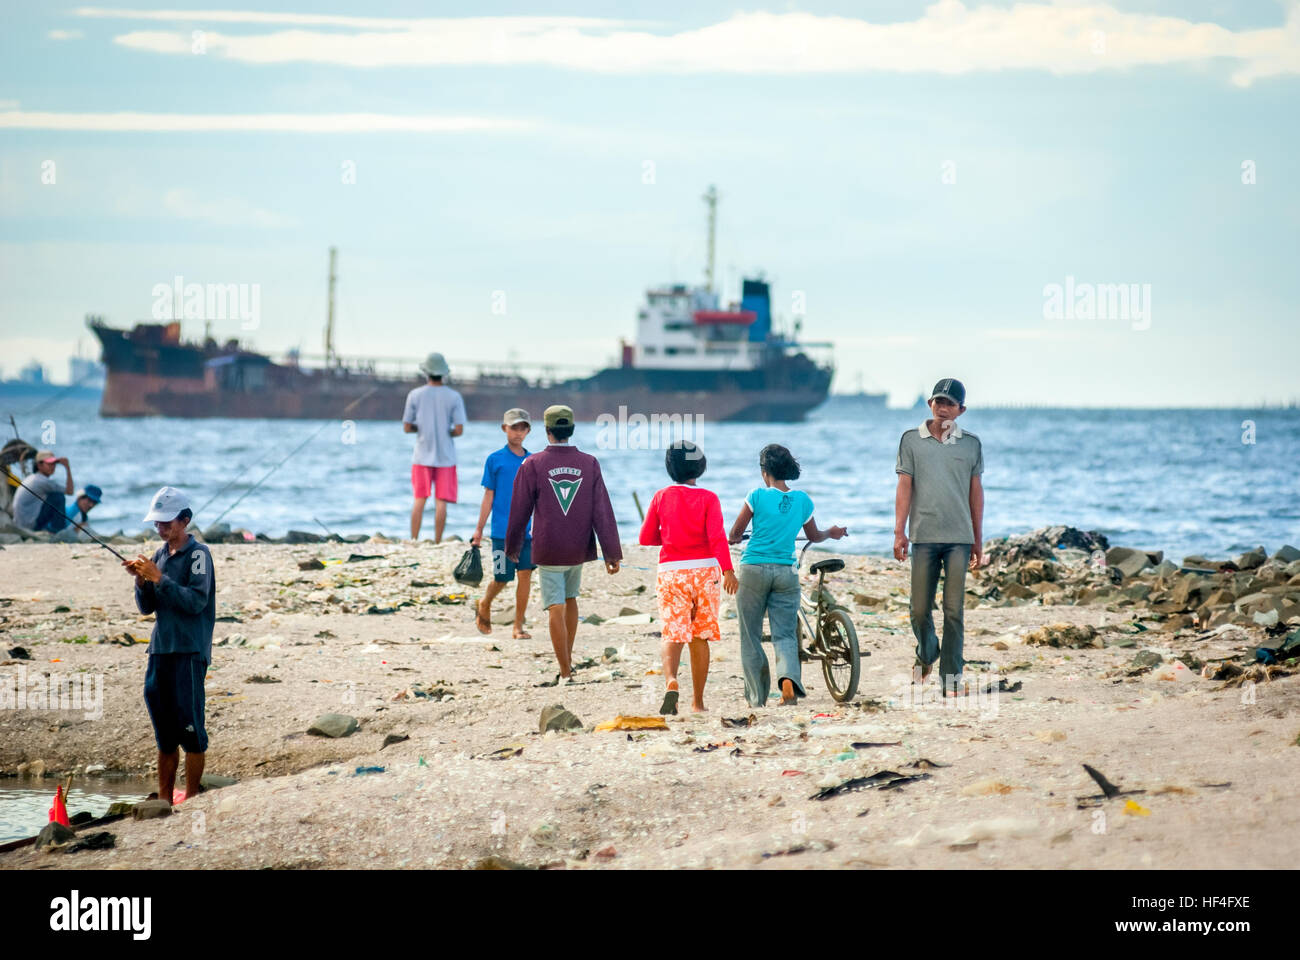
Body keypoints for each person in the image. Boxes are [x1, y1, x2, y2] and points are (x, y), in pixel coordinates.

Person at [504, 404, 621, 682]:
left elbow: (519, 509)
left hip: (548, 547)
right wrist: (611, 552)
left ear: (547, 431)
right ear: (571, 430)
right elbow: (601, 510)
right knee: (570, 599)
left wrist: (512, 547)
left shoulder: (532, 464)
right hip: (578, 547)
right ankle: (566, 659)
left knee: (555, 605)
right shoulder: (590, 462)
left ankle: (566, 671)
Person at [728, 444, 846, 707]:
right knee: (785, 634)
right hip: (786, 572)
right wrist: (833, 532)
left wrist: (734, 539)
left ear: (764, 471)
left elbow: (736, 532)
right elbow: (815, 536)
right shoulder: (803, 500)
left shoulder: (756, 496)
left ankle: (757, 698)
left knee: (751, 634)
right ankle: (788, 686)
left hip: (754, 568)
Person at [122, 486, 216, 806]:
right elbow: (146, 608)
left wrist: (159, 579)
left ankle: (190, 797)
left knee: (190, 730)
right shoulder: (160, 555)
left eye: (167, 522)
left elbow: (196, 602)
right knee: (164, 733)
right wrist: (140, 580)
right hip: (161, 649)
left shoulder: (199, 555)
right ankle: (164, 799)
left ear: (185, 520)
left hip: (189, 651)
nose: (161, 528)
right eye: (157, 523)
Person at [894, 377, 984, 697]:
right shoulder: (911, 441)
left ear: (961, 410)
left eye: (950, 404)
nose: (943, 409)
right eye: (938, 402)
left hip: (959, 537)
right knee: (919, 609)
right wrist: (899, 532)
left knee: (954, 610)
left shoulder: (971, 444)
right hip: (923, 536)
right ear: (930, 404)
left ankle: (951, 679)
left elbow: (976, 492)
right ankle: (927, 652)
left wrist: (978, 538)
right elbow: (905, 487)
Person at [639, 440, 737, 715]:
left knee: (673, 631)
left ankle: (671, 680)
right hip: (705, 572)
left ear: (670, 468)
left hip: (672, 571)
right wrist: (728, 571)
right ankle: (698, 703)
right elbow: (717, 539)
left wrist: (669, 537)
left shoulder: (661, 496)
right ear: (700, 468)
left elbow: (646, 537)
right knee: (700, 636)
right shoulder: (708, 498)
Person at [472, 408, 534, 639]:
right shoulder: (495, 460)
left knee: (525, 574)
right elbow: (488, 495)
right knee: (502, 578)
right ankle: (485, 603)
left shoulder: (533, 460)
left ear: (528, 430)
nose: (518, 433)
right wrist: (479, 530)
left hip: (528, 532)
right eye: (513, 427)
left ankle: (518, 626)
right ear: (504, 428)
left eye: (522, 428)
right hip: (501, 531)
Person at [402, 352, 466, 542]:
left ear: (426, 373)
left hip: (421, 456)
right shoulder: (454, 397)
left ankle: (414, 539)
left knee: (419, 500)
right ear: (444, 373)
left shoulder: (415, 395)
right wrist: (447, 432)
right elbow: (459, 430)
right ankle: (438, 541)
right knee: (441, 502)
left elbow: (406, 427)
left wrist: (420, 428)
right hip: (446, 457)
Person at [11, 450, 74, 533]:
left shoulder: (32, 477)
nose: (53, 467)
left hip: (22, 523)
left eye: (54, 464)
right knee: (58, 497)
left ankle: (54, 529)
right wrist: (67, 468)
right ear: (39, 465)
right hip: (29, 525)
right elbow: (70, 491)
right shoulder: (42, 481)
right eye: (49, 464)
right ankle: (58, 531)